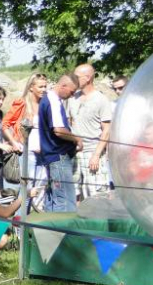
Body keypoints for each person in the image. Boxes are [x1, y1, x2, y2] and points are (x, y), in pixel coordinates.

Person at [68, 64, 113, 200]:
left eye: (76, 77)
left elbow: (106, 130)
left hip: (92, 153)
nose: (73, 80)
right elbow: (69, 122)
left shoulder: (101, 100)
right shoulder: (72, 98)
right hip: (75, 153)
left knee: (96, 196)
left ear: (88, 78)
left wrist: (96, 155)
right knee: (75, 195)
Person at [39, 74, 82, 212]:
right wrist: (77, 139)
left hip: (52, 157)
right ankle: (64, 233)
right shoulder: (53, 102)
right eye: (71, 91)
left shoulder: (49, 99)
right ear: (63, 86)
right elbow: (58, 130)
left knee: (54, 200)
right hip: (58, 157)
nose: (72, 94)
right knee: (65, 203)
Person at [2, 73, 49, 191]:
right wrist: (13, 142)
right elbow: (5, 124)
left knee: (38, 191)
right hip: (26, 153)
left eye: (45, 86)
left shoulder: (45, 104)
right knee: (25, 191)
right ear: (31, 87)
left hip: (43, 154)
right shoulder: (22, 103)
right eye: (40, 87)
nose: (44, 89)